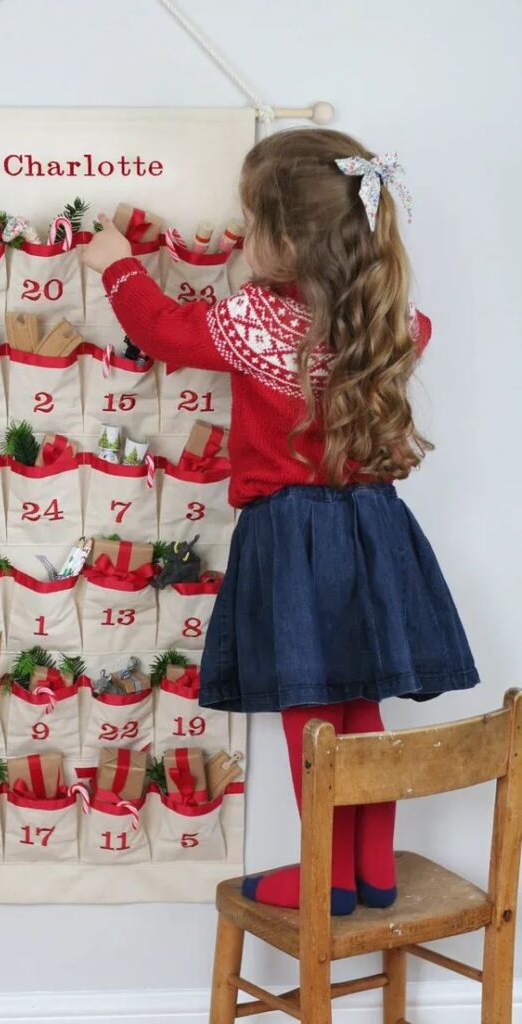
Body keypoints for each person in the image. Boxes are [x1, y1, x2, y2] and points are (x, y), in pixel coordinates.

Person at [81, 128, 480, 915]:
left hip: (292, 536)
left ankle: (325, 876)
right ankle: (370, 870)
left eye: (252, 225)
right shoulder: (391, 319)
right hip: (376, 530)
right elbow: (400, 333)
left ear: (284, 242)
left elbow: (162, 331)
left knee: (310, 709)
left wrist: (115, 265)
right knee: (363, 701)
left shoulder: (253, 321)